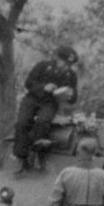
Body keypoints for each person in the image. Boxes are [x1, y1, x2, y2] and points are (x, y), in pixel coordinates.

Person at [13, 45, 80, 173]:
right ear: (58, 59)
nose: (66, 67)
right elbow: (28, 83)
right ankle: (21, 158)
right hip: (32, 99)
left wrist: (71, 95)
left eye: (69, 65)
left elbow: (73, 96)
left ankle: (38, 154)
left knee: (43, 122)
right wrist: (44, 87)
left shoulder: (70, 75)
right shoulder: (43, 66)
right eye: (64, 63)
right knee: (22, 123)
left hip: (50, 102)